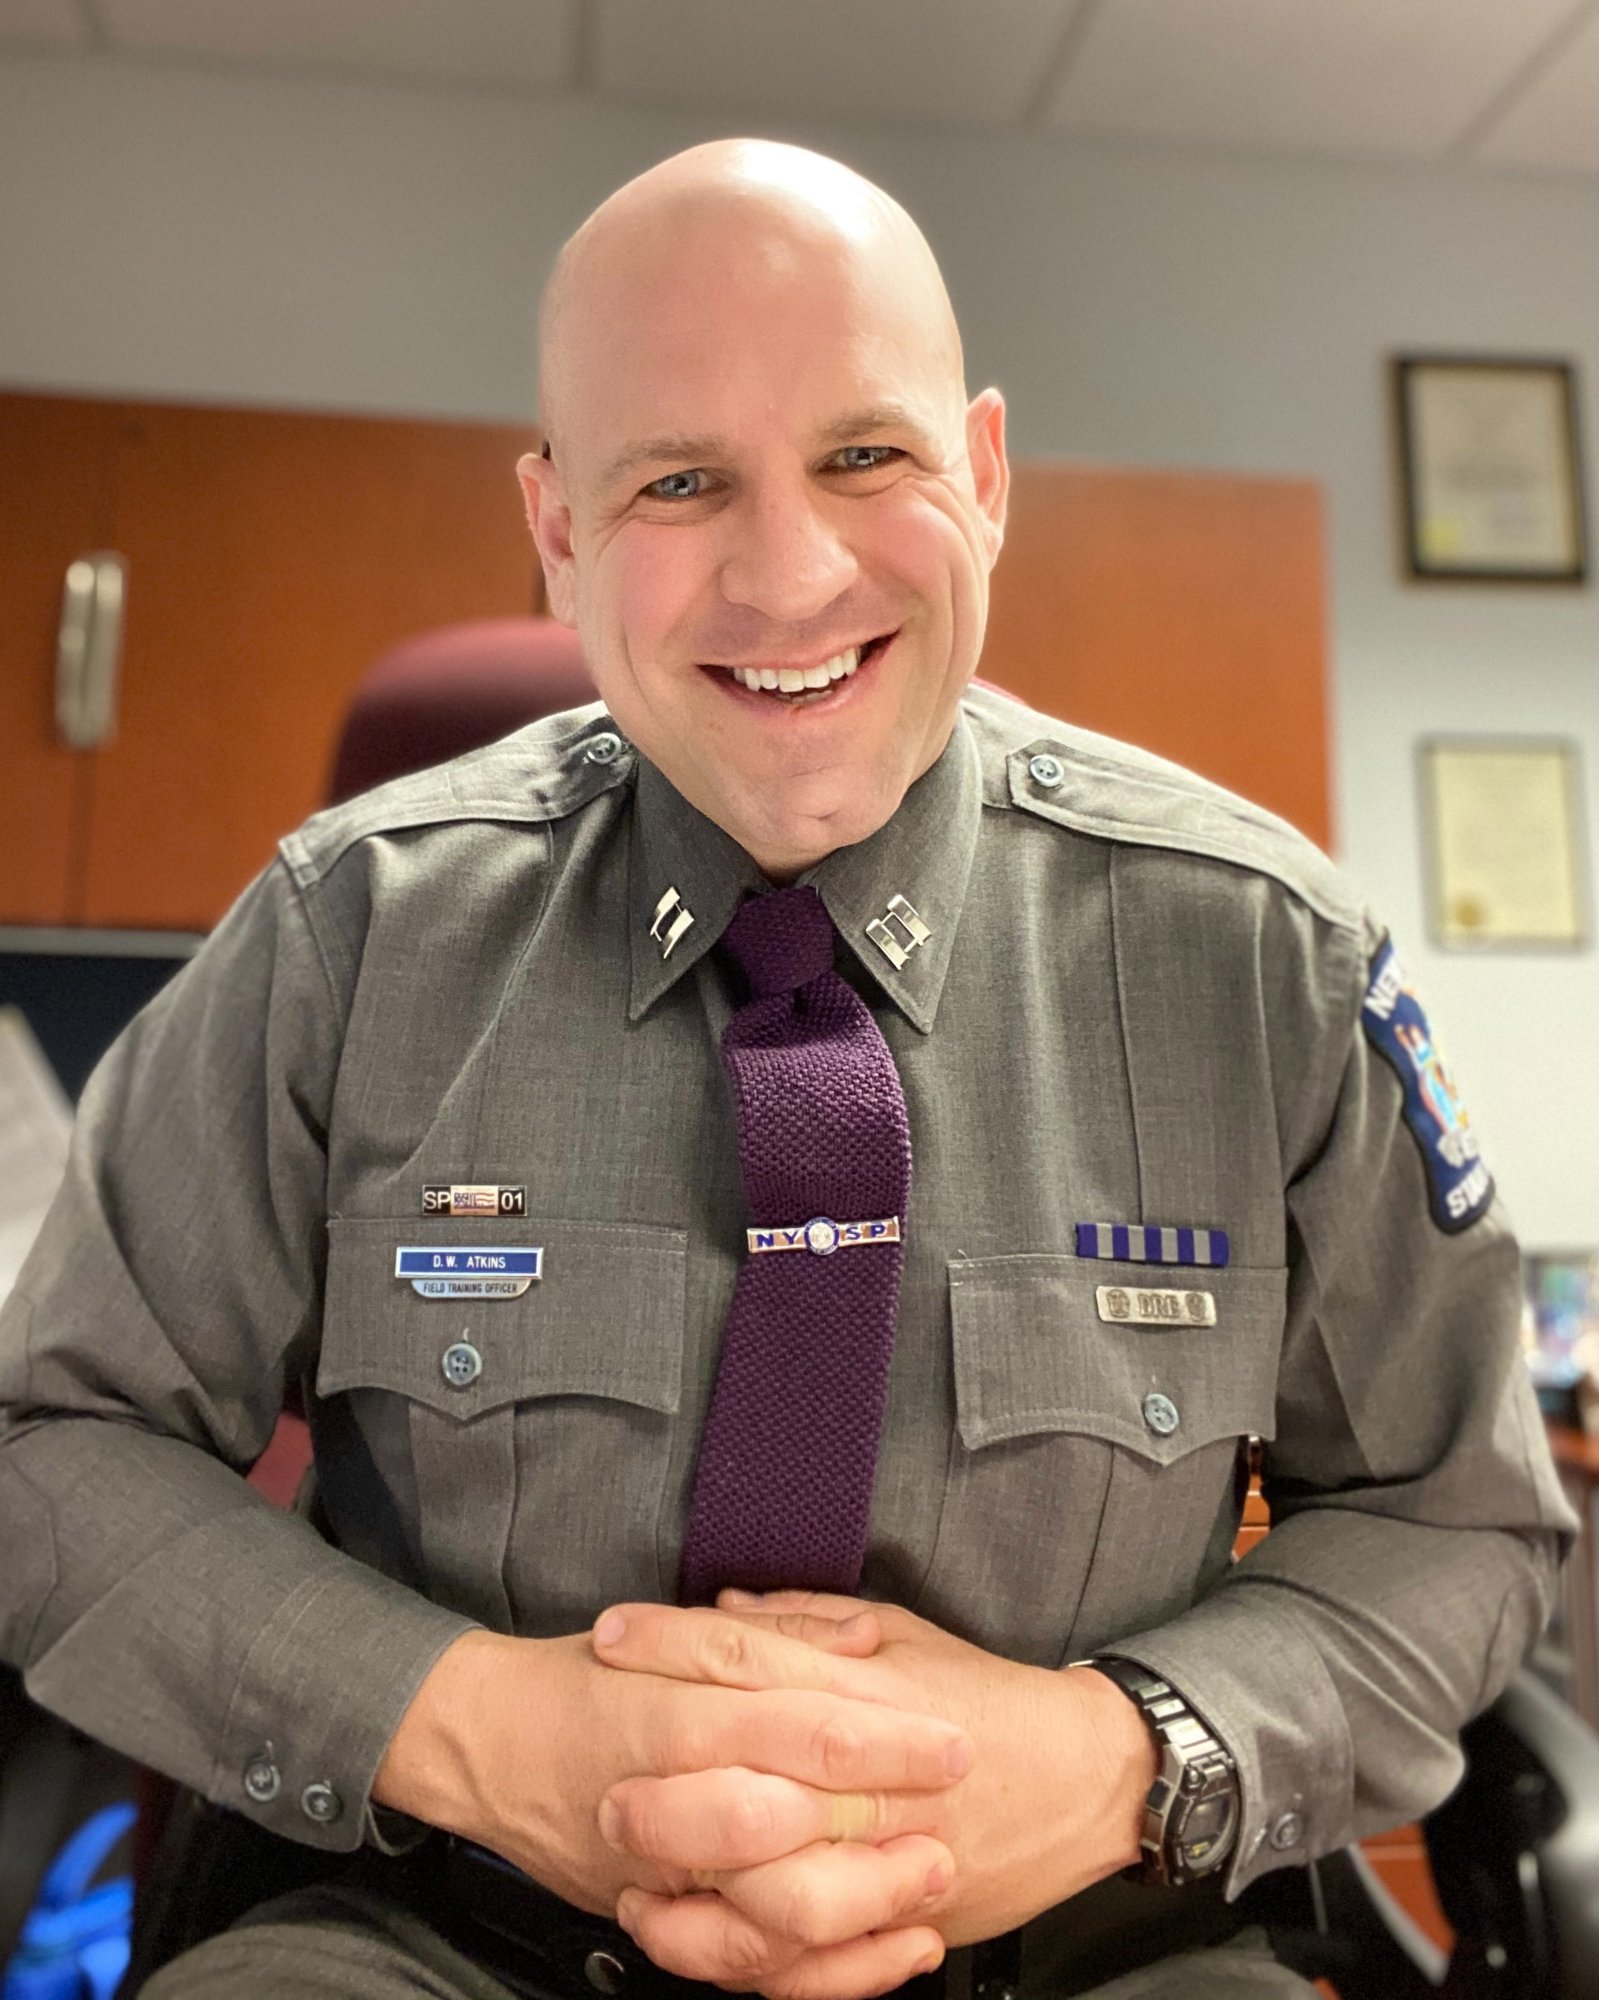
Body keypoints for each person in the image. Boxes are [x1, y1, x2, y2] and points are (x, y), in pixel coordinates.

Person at [0, 137, 1573, 2000]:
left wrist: (1123, 1756)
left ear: (983, 477)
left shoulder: (1262, 956)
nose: (790, 570)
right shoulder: (350, 938)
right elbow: (59, 1443)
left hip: (1092, 1944)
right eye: (679, 480)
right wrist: (485, 1729)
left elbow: (1453, 1520)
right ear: (561, 530)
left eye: (865, 455)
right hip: (455, 1929)